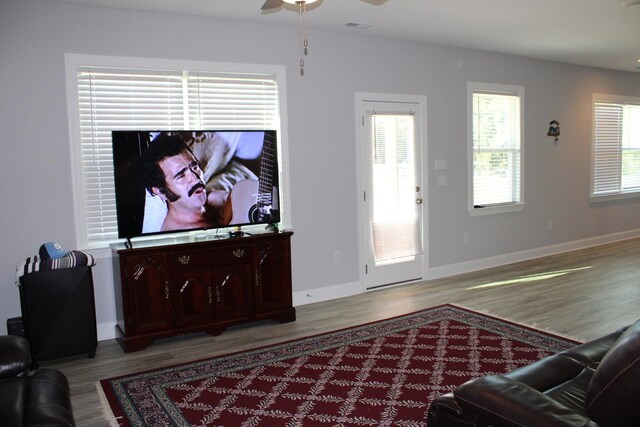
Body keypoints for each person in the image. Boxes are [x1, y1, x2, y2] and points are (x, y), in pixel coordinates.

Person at [142, 134, 233, 231]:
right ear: (161, 191)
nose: (195, 179)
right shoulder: (179, 235)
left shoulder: (213, 200)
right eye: (181, 176)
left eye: (195, 167)